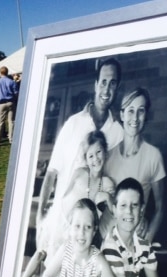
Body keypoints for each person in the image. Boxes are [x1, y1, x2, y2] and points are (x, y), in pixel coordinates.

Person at [37, 57, 124, 259]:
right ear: (95, 85)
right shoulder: (73, 124)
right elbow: (51, 173)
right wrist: (41, 215)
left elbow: (113, 184)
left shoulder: (118, 132)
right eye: (103, 82)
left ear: (117, 87)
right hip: (62, 224)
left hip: (91, 232)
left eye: (112, 83)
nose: (107, 89)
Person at [22, 130, 115, 277]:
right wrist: (52, 216)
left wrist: (108, 197)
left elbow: (114, 212)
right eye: (90, 155)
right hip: (62, 220)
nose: (95, 159)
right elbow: (63, 196)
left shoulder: (107, 184)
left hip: (78, 230)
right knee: (41, 252)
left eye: (99, 152)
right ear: (85, 159)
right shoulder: (79, 173)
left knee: (61, 269)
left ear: (105, 152)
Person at [101, 88, 165, 243]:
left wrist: (144, 246)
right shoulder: (107, 156)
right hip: (104, 240)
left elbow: (160, 208)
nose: (135, 118)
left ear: (146, 115)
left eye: (140, 111)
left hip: (132, 246)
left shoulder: (153, 156)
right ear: (122, 115)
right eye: (130, 111)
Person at [41, 198, 125, 277]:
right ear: (70, 227)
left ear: (94, 231)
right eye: (77, 226)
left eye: (88, 227)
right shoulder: (65, 250)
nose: (81, 233)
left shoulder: (98, 260)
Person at [0, 66, 18, 145]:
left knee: (0, 122)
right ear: (7, 72)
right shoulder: (11, 82)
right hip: (10, 102)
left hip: (1, 103)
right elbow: (16, 93)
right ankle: (11, 139)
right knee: (11, 121)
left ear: (0, 72)